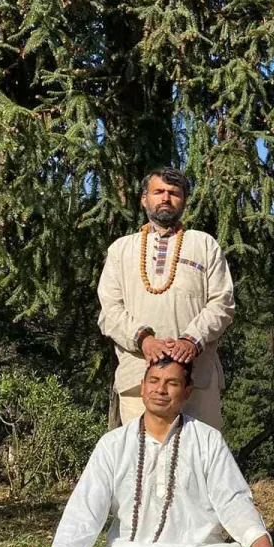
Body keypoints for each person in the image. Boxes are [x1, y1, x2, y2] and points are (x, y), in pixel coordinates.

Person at [28, 358, 274, 547]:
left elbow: (232, 500)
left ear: (187, 392)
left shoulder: (207, 439)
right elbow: (84, 511)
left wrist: (259, 542)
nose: (160, 390)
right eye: (154, 381)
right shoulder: (113, 444)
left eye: (172, 383)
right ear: (142, 387)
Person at [97, 167, 235, 429]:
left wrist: (191, 340)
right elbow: (109, 311)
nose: (165, 198)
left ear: (184, 201)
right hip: (138, 376)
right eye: (158, 191)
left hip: (197, 378)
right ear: (143, 199)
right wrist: (144, 340)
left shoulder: (204, 245)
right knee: (142, 459)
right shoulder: (121, 249)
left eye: (174, 193)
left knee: (199, 458)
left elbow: (223, 303)